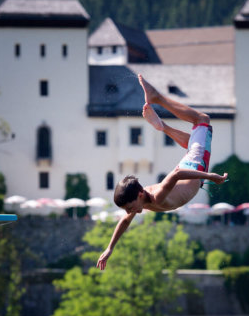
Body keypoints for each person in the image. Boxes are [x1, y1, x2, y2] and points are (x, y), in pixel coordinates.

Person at [96, 74, 228, 270]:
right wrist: (110, 248)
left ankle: (157, 98)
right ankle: (162, 126)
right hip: (189, 166)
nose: (129, 213)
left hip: (193, 167)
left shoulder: (156, 196)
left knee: (202, 120)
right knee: (191, 145)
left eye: (129, 207)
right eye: (127, 209)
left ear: (140, 195)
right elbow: (124, 222)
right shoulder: (140, 203)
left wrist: (210, 176)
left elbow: (176, 175)